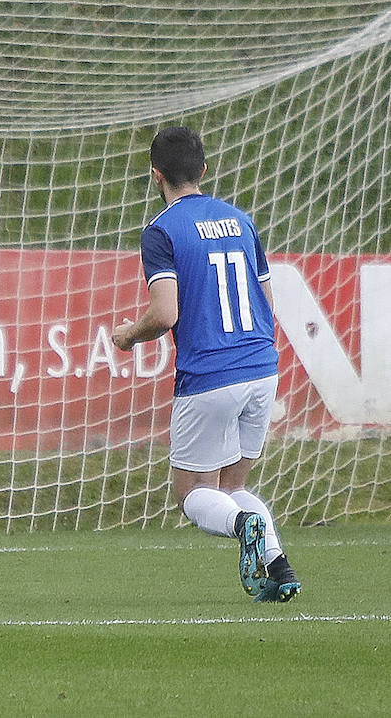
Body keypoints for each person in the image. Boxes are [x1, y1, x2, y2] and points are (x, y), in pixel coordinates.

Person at [112, 126, 300, 603]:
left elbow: (165, 314)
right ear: (205, 169)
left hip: (210, 376)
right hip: (261, 366)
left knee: (194, 494)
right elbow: (268, 302)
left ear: (156, 176)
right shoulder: (242, 221)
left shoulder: (162, 231)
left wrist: (130, 335)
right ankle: (279, 568)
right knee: (233, 483)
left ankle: (245, 525)